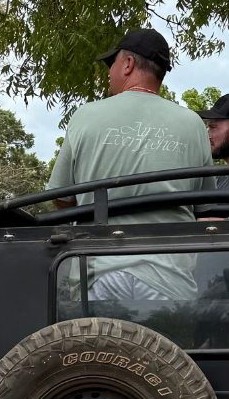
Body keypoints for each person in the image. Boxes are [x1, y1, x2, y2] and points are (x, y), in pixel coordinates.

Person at [47, 28, 212, 305]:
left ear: (127, 64)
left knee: (93, 349)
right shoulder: (194, 124)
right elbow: (204, 208)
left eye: (111, 64)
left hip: (97, 276)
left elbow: (60, 197)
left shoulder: (86, 115)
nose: (109, 73)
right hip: (171, 281)